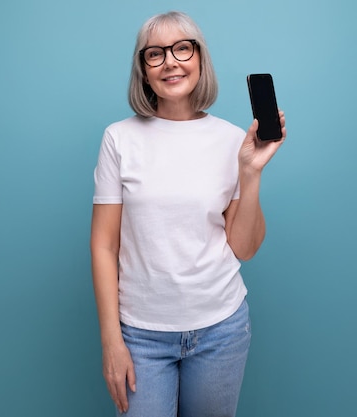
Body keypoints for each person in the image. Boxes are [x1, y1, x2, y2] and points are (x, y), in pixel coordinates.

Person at [90, 11, 286, 417]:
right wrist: (112, 340)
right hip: (141, 335)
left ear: (199, 58)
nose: (171, 62)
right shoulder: (119, 139)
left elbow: (244, 248)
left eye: (182, 48)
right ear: (143, 71)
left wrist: (250, 173)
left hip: (221, 330)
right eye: (155, 54)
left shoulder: (233, 140)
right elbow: (104, 245)